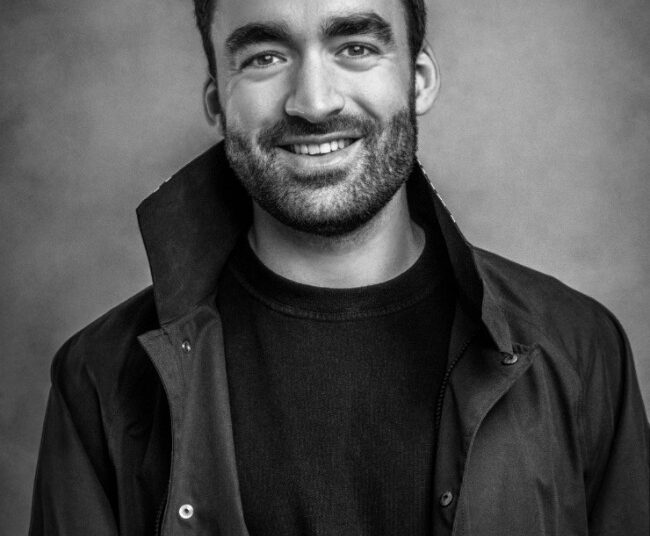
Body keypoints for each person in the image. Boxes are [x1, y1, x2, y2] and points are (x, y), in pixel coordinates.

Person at [29, 0, 649, 534]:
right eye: (265, 57)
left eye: (355, 47)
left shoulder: (577, 347)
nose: (314, 102)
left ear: (419, 80)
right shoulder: (101, 377)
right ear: (218, 101)